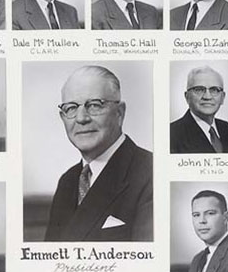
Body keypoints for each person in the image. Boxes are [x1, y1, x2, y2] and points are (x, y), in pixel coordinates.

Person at [44, 66, 153, 241]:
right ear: (62, 117)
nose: (81, 118)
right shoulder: (68, 181)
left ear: (119, 112)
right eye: (71, 108)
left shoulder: (151, 173)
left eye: (94, 105)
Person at [169, 66, 228, 154]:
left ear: (222, 98)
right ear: (187, 97)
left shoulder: (226, 128)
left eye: (214, 90)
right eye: (199, 90)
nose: (207, 96)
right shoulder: (172, 134)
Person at [185, 190, 228, 272]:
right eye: (196, 215)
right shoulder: (197, 260)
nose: (202, 221)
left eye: (210, 213)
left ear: (225, 218)